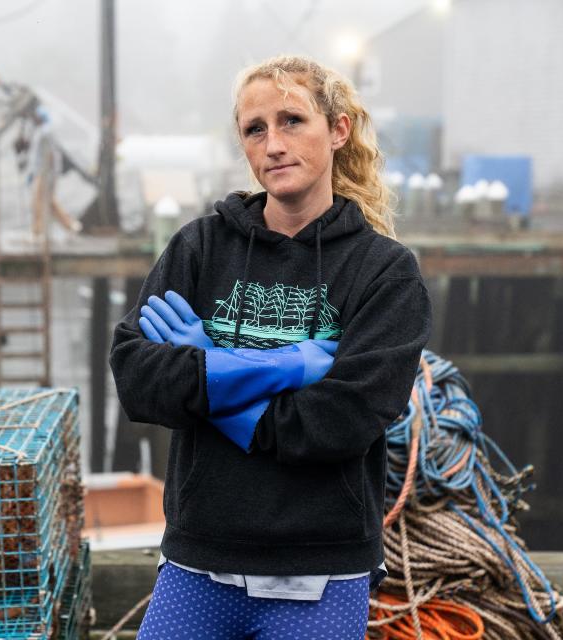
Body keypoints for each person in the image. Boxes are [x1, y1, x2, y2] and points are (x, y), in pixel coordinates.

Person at [109, 54, 431, 639]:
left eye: (291, 121)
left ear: (338, 130)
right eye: (255, 129)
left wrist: (205, 368)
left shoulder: (385, 273)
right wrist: (289, 365)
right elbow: (137, 377)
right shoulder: (200, 248)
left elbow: (341, 420)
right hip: (197, 562)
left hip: (323, 572)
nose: (273, 144)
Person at [25, 106, 82, 238]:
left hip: (45, 172)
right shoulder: (42, 131)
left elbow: (51, 155)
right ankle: (71, 225)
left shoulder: (46, 133)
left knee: (37, 201)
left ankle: (37, 231)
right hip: (43, 171)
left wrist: (45, 173)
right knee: (49, 201)